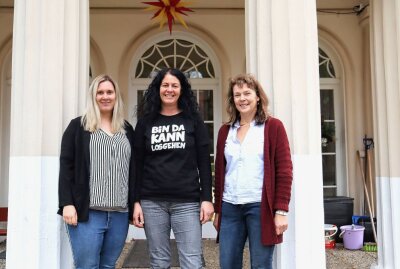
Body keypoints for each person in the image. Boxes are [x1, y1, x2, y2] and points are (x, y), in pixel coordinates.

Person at [133, 68, 214, 269]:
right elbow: (136, 164)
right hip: (152, 202)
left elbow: (204, 162)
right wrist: (135, 201)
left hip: (187, 202)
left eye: (174, 85)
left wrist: (207, 199)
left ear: (182, 90)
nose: (169, 90)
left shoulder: (193, 120)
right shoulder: (145, 122)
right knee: (159, 262)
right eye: (165, 85)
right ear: (158, 89)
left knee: (192, 262)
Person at [213, 74, 293, 269]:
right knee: (228, 264)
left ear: (258, 97)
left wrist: (281, 210)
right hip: (230, 207)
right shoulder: (225, 131)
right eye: (237, 94)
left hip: (260, 207)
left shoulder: (273, 127)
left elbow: (284, 171)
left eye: (247, 93)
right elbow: (220, 172)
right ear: (233, 100)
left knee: (261, 265)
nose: (242, 98)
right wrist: (218, 211)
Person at [58, 74, 135, 269]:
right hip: (88, 214)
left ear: (117, 96)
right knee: (87, 266)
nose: (105, 96)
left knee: (108, 266)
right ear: (93, 97)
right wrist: (67, 203)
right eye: (100, 92)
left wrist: (136, 204)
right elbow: (67, 168)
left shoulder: (126, 129)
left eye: (109, 92)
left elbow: (133, 170)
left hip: (119, 214)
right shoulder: (78, 126)